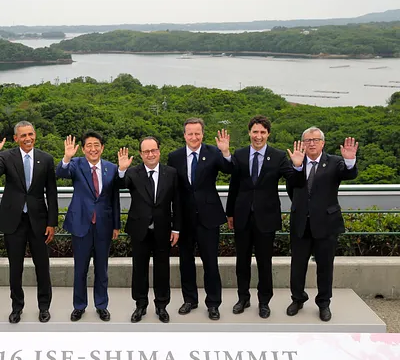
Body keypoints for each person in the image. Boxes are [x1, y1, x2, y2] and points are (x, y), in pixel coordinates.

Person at [226, 115, 305, 318]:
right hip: (242, 216)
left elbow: (296, 182)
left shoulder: (278, 156)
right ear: (249, 133)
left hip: (266, 218)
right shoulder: (240, 154)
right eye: (255, 132)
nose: (258, 136)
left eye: (262, 132)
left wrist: (298, 166)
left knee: (264, 263)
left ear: (268, 134)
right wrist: (230, 213)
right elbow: (234, 186)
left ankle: (264, 302)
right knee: (242, 262)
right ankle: (243, 298)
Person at [286, 127, 358, 321]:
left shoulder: (334, 162)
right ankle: (297, 299)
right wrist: (297, 167)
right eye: (308, 140)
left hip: (326, 223)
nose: (311, 143)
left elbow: (349, 174)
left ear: (322, 143)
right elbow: (291, 188)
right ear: (303, 143)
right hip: (301, 222)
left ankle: (324, 303)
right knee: (297, 265)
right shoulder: (295, 161)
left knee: (325, 266)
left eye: (315, 140)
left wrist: (350, 160)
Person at [167, 118, 233, 320]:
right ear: (184, 135)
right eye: (190, 133)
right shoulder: (175, 156)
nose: (194, 137)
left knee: (210, 263)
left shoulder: (213, 152)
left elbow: (230, 170)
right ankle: (190, 300)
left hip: (209, 218)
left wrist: (226, 153)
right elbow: (173, 191)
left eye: (197, 133)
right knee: (185, 262)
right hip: (185, 219)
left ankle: (213, 303)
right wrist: (175, 225)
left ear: (202, 134)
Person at [56, 132, 120, 322]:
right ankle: (79, 306)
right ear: (83, 149)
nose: (93, 149)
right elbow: (61, 173)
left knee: (102, 269)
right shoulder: (76, 164)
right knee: (80, 269)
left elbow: (114, 199)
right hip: (81, 224)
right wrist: (67, 157)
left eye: (96, 145)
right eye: (89, 145)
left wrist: (116, 225)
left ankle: (101, 305)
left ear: (102, 147)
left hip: (104, 226)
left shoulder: (111, 168)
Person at [117, 137, 181, 323]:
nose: (150, 154)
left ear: (159, 151)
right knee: (139, 269)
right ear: (140, 154)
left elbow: (177, 203)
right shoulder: (133, 173)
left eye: (153, 150)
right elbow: (120, 185)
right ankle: (140, 305)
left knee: (162, 269)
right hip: (139, 229)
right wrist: (121, 170)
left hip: (163, 229)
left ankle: (162, 306)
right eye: (146, 151)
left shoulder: (171, 173)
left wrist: (176, 229)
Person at [0, 121, 58, 323]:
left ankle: (44, 307)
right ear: (16, 138)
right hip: (13, 221)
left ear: (35, 135)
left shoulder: (46, 158)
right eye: (23, 135)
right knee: (15, 268)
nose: (28, 138)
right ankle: (17, 307)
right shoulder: (5, 157)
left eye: (30, 134)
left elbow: (52, 193)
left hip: (39, 222)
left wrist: (52, 222)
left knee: (42, 267)